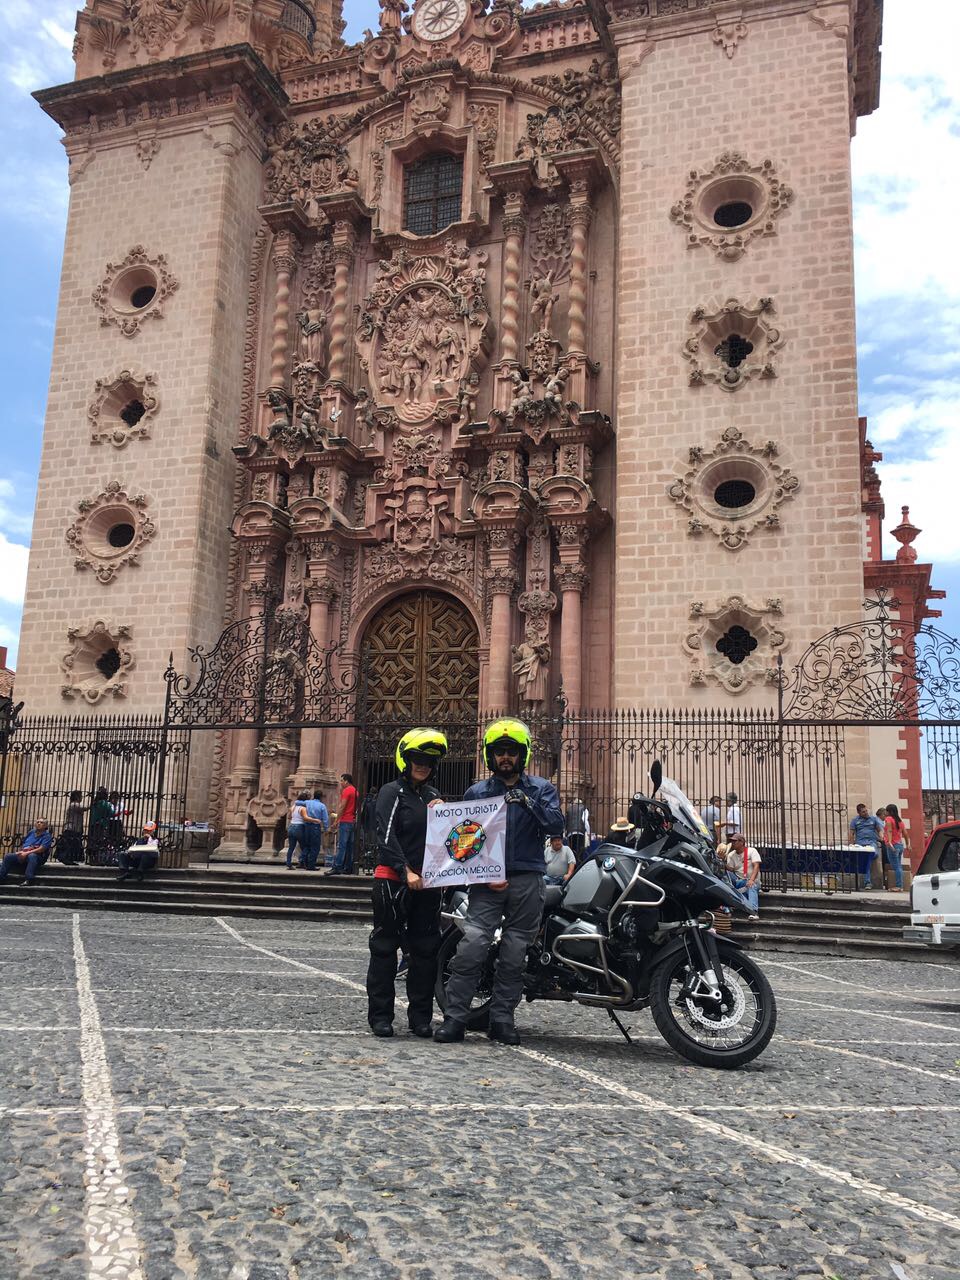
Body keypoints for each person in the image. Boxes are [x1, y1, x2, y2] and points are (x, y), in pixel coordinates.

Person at [435, 718, 563, 1047]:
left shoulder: (542, 789)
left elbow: (556, 825)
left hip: (527, 878)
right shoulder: (476, 792)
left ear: (523, 754)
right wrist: (442, 812)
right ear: (490, 756)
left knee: (515, 953)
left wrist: (529, 803)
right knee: (472, 947)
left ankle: (502, 1020)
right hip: (486, 882)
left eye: (511, 751)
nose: (505, 757)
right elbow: (464, 839)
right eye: (499, 751)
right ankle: (455, 1018)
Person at [366, 728, 449, 1038]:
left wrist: (444, 816)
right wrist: (406, 871)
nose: (423, 765)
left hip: (427, 885)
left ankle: (420, 1018)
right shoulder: (391, 792)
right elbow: (385, 836)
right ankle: (381, 1016)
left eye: (429, 761)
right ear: (406, 760)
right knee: (385, 948)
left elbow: (446, 841)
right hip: (393, 882)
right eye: (418, 759)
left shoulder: (431, 796)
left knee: (425, 951)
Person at [0, 818, 53, 886]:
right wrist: (21, 852)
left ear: (46, 826)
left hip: (39, 857)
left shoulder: (47, 836)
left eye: (41, 822)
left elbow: (41, 849)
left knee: (32, 856)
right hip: (25, 853)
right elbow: (24, 843)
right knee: (8, 856)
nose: (39, 823)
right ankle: (1, 878)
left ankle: (29, 879)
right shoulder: (31, 832)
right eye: (37, 822)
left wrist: (26, 853)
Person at [724, 833, 761, 919]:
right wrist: (722, 861)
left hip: (752, 880)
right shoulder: (731, 855)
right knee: (724, 878)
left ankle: (754, 912)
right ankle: (726, 909)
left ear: (742, 842)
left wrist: (751, 880)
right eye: (731, 841)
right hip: (739, 880)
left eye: (735, 841)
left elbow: (756, 866)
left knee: (751, 885)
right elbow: (730, 869)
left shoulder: (752, 851)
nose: (732, 843)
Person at [848, 802, 884, 890]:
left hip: (871, 843)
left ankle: (867, 882)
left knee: (871, 855)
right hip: (860, 844)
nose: (866, 813)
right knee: (867, 858)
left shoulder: (873, 819)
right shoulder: (855, 821)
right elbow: (851, 834)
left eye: (866, 811)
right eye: (863, 812)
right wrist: (851, 845)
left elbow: (879, 830)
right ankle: (867, 882)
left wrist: (881, 836)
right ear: (859, 813)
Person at [329, 773, 359, 875]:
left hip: (345, 820)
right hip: (352, 821)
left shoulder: (346, 791)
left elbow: (342, 806)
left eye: (341, 780)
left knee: (341, 845)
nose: (340, 783)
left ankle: (337, 867)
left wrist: (336, 820)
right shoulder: (355, 791)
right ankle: (348, 867)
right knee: (350, 846)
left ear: (346, 781)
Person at [883, 803, 908, 891]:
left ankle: (899, 886)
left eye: (886, 811)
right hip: (900, 845)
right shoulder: (900, 821)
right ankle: (900, 885)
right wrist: (908, 844)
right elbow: (905, 833)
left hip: (893, 845)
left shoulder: (888, 819)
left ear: (889, 811)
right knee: (899, 866)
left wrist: (890, 842)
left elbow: (889, 831)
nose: (885, 812)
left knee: (896, 867)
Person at [57, 791, 87, 864]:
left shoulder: (73, 805)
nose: (81, 798)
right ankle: (65, 858)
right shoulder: (74, 804)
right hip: (71, 828)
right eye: (80, 796)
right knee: (69, 845)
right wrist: (92, 804)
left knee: (72, 845)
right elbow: (84, 808)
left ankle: (70, 860)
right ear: (77, 797)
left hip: (74, 828)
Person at [303, 790, 329, 871]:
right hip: (315, 827)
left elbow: (297, 803)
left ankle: (304, 863)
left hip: (306, 826)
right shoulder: (322, 806)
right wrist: (326, 829)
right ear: (321, 797)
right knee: (315, 847)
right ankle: (311, 865)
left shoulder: (307, 802)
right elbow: (325, 819)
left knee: (307, 845)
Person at [88, 787, 113, 864]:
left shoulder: (94, 803)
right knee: (101, 842)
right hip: (102, 825)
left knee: (93, 842)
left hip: (93, 824)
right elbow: (112, 813)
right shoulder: (106, 804)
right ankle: (99, 859)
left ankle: (92, 859)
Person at [285, 792, 310, 870]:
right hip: (299, 827)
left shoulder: (293, 807)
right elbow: (305, 818)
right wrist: (315, 820)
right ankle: (303, 861)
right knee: (305, 847)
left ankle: (289, 864)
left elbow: (289, 817)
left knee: (291, 847)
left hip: (291, 826)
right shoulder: (303, 808)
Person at [564, 798, 590, 862]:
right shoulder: (584, 808)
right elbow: (585, 820)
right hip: (580, 832)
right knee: (580, 850)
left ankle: (573, 863)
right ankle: (579, 863)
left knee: (572, 850)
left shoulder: (569, 809)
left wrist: (565, 831)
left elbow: (565, 821)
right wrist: (588, 831)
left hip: (570, 832)